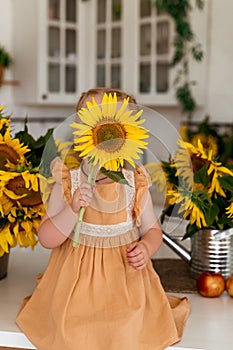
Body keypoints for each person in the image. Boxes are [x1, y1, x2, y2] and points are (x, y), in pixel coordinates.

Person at [16, 88, 189, 350]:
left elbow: (153, 230)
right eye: (92, 122)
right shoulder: (68, 180)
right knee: (71, 330)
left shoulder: (133, 182)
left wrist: (145, 247)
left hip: (124, 282)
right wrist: (72, 211)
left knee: (127, 328)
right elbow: (47, 238)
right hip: (75, 286)